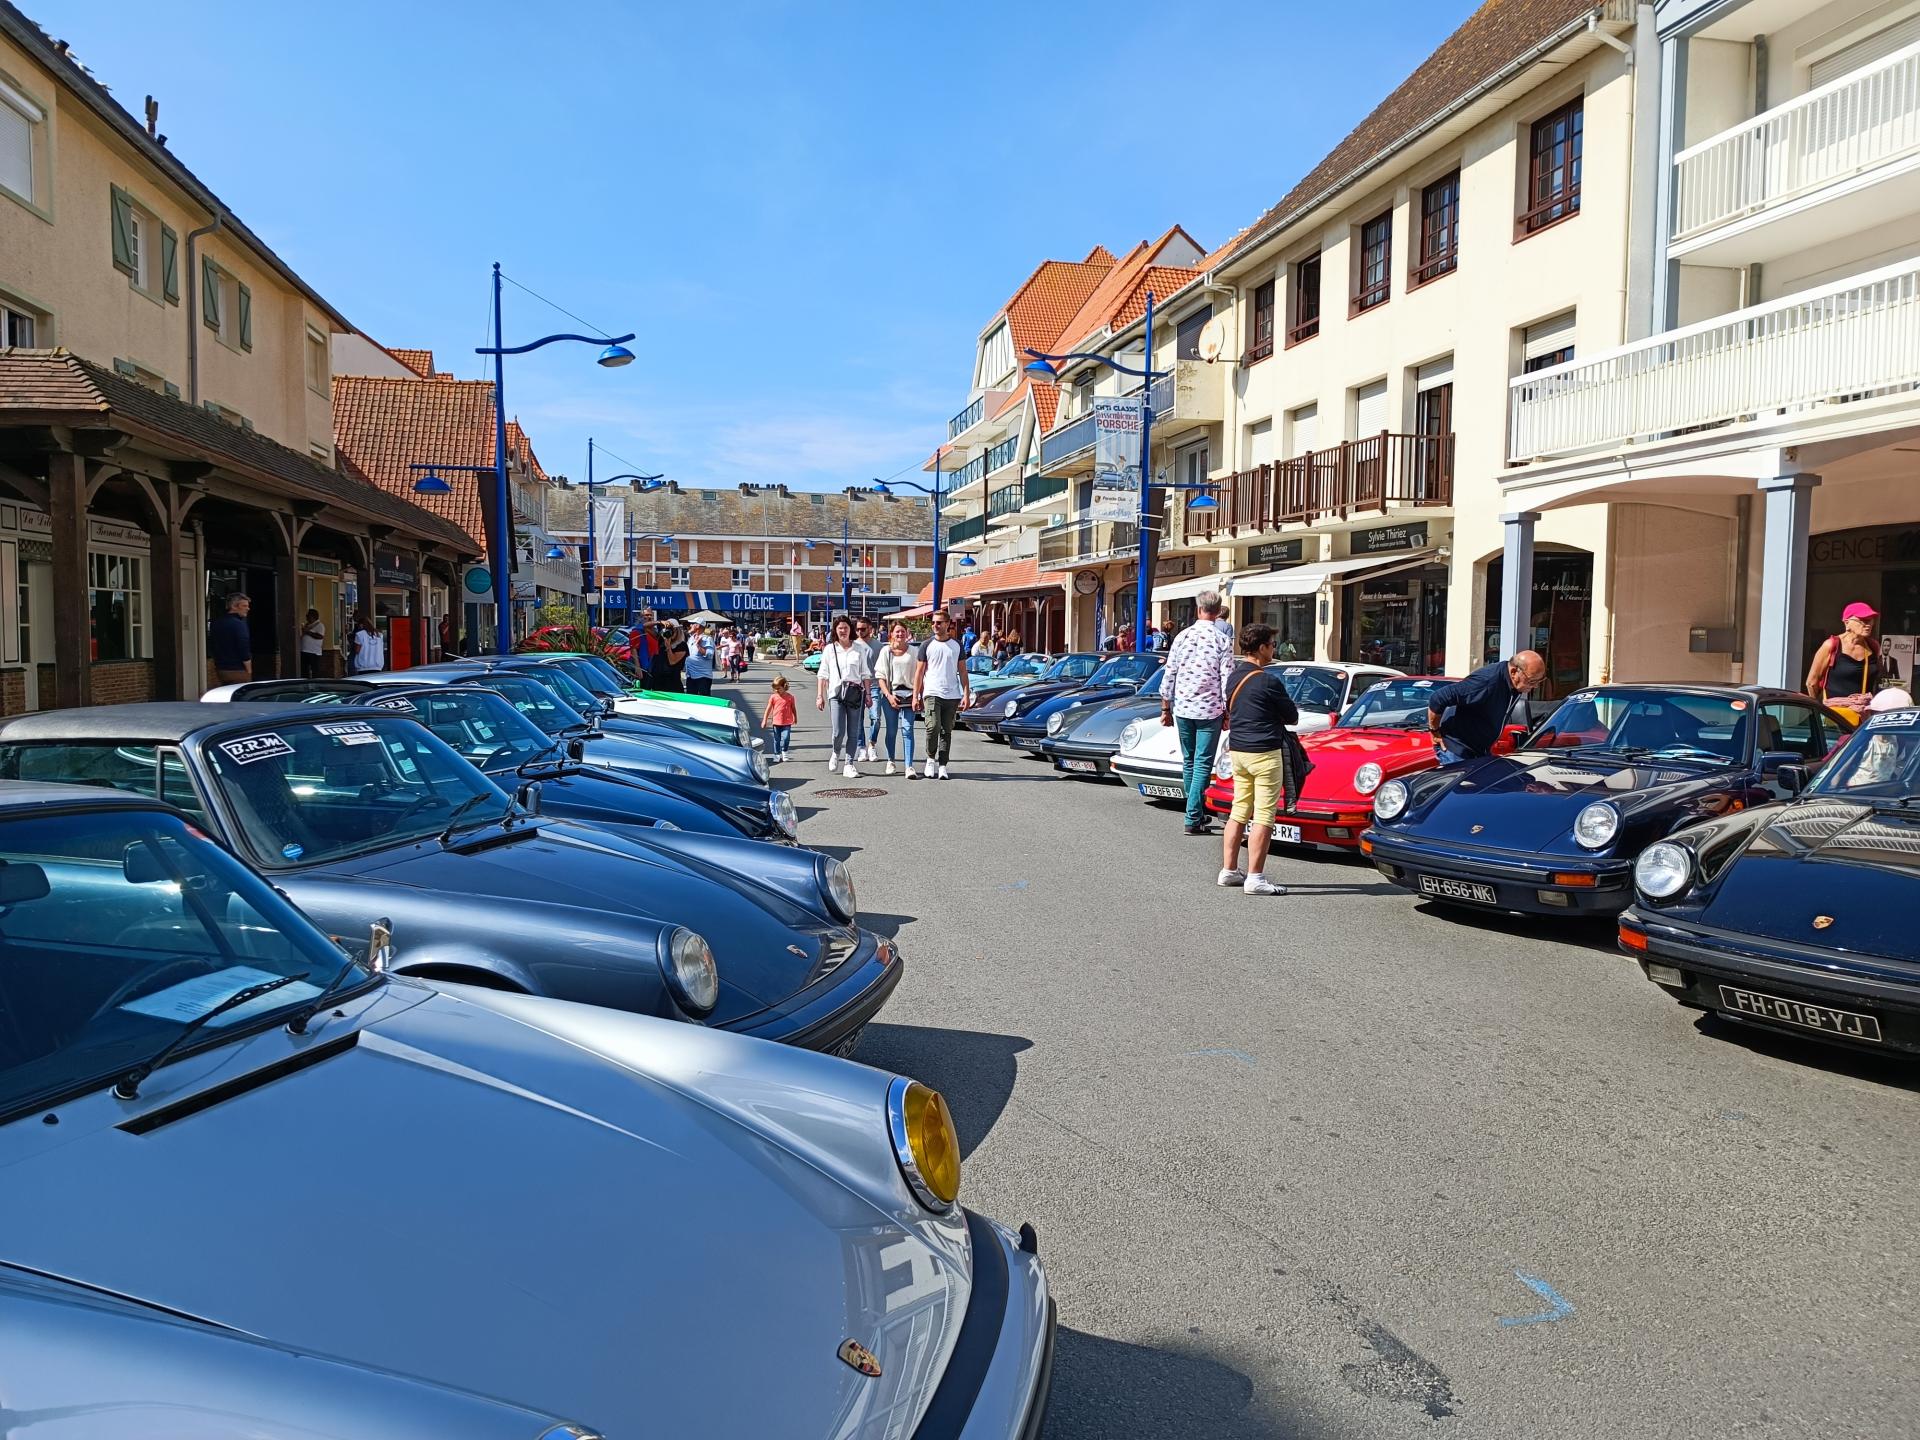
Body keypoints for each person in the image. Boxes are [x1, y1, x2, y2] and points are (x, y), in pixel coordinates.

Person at [1218, 624, 1300, 896]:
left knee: (1239, 809)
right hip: (1264, 751)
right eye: (1272, 644)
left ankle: (1229, 870)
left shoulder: (1234, 677)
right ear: (1262, 647)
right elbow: (1292, 716)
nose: (1274, 649)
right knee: (1264, 813)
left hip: (1238, 751)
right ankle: (1255, 877)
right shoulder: (1268, 680)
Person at [1160, 590, 1236, 836]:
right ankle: (1193, 817)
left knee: (1190, 761)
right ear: (1217, 610)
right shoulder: (1222, 640)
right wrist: (1228, 711)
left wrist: (1165, 707)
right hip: (1209, 709)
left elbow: (1169, 672)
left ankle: (1195, 811)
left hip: (1183, 707)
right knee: (1203, 762)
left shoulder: (1182, 637)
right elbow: (1227, 679)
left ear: (1198, 609)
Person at [1424, 651, 1547, 763]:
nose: (1535, 686)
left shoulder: (1515, 684)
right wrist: (1434, 731)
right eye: (1532, 681)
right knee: (1459, 788)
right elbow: (1439, 698)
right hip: (1456, 751)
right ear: (1514, 672)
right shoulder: (1486, 682)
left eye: (1539, 681)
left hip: (1479, 751)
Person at [913, 610, 971, 779]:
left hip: (952, 694)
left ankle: (943, 765)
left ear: (947, 624)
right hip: (932, 692)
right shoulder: (926, 645)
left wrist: (966, 694)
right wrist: (916, 695)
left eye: (939, 622)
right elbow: (919, 672)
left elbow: (962, 671)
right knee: (933, 726)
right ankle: (930, 759)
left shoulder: (957, 645)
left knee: (947, 730)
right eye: (933, 623)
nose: (935, 626)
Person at [815, 613, 873, 778]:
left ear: (850, 630)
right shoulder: (829, 649)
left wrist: (868, 694)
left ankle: (849, 764)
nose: (843, 631)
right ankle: (835, 752)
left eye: (846, 628)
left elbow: (865, 674)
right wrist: (820, 696)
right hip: (836, 694)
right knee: (838, 731)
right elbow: (822, 674)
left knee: (853, 731)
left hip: (855, 694)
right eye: (840, 628)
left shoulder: (859, 649)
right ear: (835, 630)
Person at [1807, 602, 1887, 717]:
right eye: (1862, 620)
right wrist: (1816, 711)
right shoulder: (1831, 645)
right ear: (1847, 623)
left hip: (1863, 715)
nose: (1868, 624)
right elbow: (1811, 683)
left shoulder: (1873, 646)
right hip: (1834, 716)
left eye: (1870, 620)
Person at [874, 621, 920, 777]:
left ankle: (909, 766)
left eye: (903, 632)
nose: (900, 635)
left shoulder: (914, 651)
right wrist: (888, 695)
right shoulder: (885, 651)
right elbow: (880, 676)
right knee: (892, 730)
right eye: (897, 632)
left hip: (909, 694)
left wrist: (917, 696)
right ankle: (891, 760)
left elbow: (920, 675)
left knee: (908, 729)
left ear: (907, 634)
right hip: (891, 695)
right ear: (891, 634)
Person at [854, 617, 886, 762]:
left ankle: (871, 745)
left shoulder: (879, 646)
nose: (860, 632)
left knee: (876, 718)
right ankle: (861, 748)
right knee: (857, 720)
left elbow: (884, 668)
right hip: (856, 687)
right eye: (858, 629)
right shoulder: (852, 645)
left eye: (863, 629)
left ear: (870, 629)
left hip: (874, 687)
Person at [209, 592, 252, 686]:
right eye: (244, 606)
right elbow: (243, 646)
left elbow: (212, 645)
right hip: (237, 670)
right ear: (234, 606)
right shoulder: (239, 624)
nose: (248, 609)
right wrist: (249, 669)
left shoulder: (217, 623)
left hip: (221, 669)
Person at [762, 674, 797, 762]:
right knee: (776, 740)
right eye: (775, 689)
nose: (776, 690)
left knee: (786, 738)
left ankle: (784, 752)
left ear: (784, 686)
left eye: (778, 688)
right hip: (776, 722)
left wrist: (795, 717)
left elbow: (793, 708)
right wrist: (764, 720)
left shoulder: (790, 697)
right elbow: (768, 709)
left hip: (787, 722)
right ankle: (777, 754)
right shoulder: (773, 697)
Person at [648, 621, 687, 692]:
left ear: (677, 631)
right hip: (657, 683)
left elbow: (672, 661)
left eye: (672, 630)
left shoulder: (682, 645)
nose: (670, 632)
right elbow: (645, 627)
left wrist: (668, 647)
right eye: (668, 629)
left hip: (672, 684)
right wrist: (660, 622)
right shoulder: (661, 640)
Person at [684, 621, 715, 696]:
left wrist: (698, 645)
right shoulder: (691, 638)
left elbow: (709, 655)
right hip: (690, 675)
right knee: (691, 701)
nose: (690, 625)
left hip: (702, 676)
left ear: (698, 626)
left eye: (693, 623)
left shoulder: (707, 639)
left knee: (704, 702)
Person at [298, 608, 326, 679]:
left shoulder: (320, 625)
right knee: (304, 670)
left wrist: (307, 632)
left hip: (314, 652)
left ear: (313, 616)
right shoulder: (307, 625)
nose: (306, 617)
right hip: (304, 651)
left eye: (308, 616)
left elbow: (320, 636)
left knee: (315, 671)